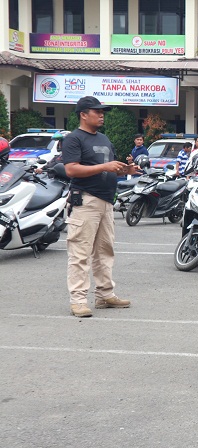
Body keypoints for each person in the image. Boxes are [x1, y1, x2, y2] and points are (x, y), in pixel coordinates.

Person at [62, 96, 140, 317]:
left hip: (106, 201)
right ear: (83, 114)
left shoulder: (104, 139)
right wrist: (105, 166)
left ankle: (104, 295)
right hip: (85, 201)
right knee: (80, 253)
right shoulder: (74, 139)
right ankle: (78, 300)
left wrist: (126, 171)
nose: (101, 115)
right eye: (97, 111)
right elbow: (71, 169)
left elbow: (109, 168)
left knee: (105, 251)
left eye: (102, 111)